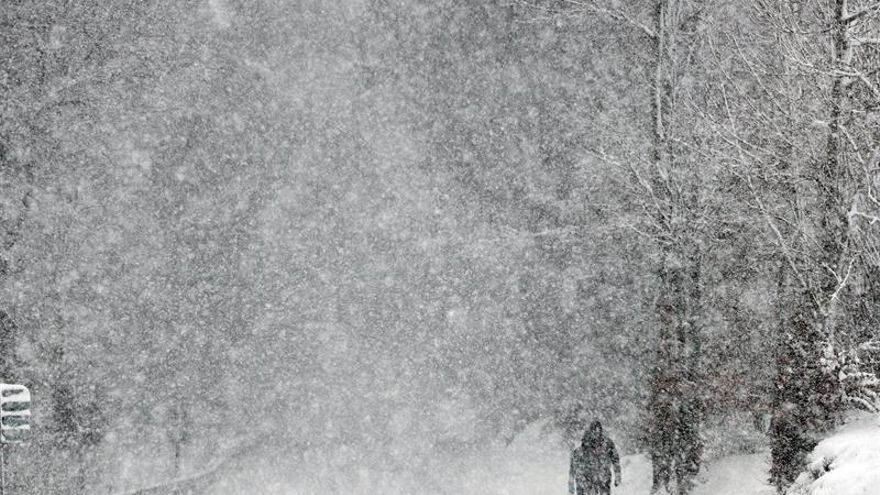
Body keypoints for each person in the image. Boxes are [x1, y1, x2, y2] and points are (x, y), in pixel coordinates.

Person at [568, 420, 622, 495]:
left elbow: (615, 459)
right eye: (594, 431)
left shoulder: (607, 444)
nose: (596, 434)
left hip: (604, 478)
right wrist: (572, 484)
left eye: (598, 431)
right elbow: (574, 465)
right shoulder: (585, 444)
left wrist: (618, 475)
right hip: (588, 480)